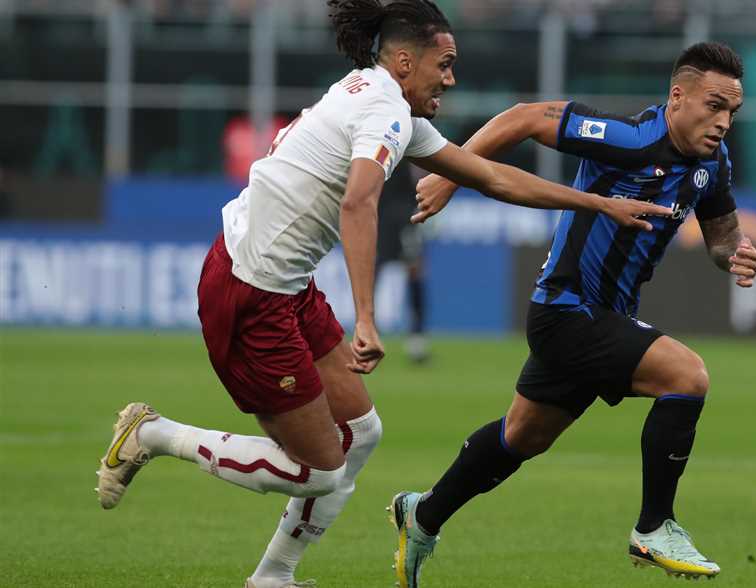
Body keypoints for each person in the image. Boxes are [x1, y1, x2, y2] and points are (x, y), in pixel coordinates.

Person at [94, 2, 671, 587]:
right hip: (250, 291)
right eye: (444, 64)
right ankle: (153, 434)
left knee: (361, 433)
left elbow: (492, 176)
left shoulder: (385, 101)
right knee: (319, 471)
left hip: (283, 285)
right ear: (404, 62)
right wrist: (366, 318)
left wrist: (598, 203)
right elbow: (358, 202)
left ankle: (273, 577)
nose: (451, 79)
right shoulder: (384, 110)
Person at [393, 41, 756, 586]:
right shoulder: (630, 139)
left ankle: (422, 514)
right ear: (677, 97)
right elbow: (524, 118)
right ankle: (654, 527)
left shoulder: (713, 163)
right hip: (567, 310)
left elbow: (721, 236)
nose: (724, 122)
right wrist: (450, 175)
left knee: (522, 437)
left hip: (602, 316)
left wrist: (736, 254)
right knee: (687, 376)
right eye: (714, 105)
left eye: (732, 110)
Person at [377, 162, 431, 363]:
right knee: (371, 274)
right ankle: (367, 333)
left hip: (406, 219)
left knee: (414, 273)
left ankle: (416, 338)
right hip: (383, 219)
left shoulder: (407, 155)